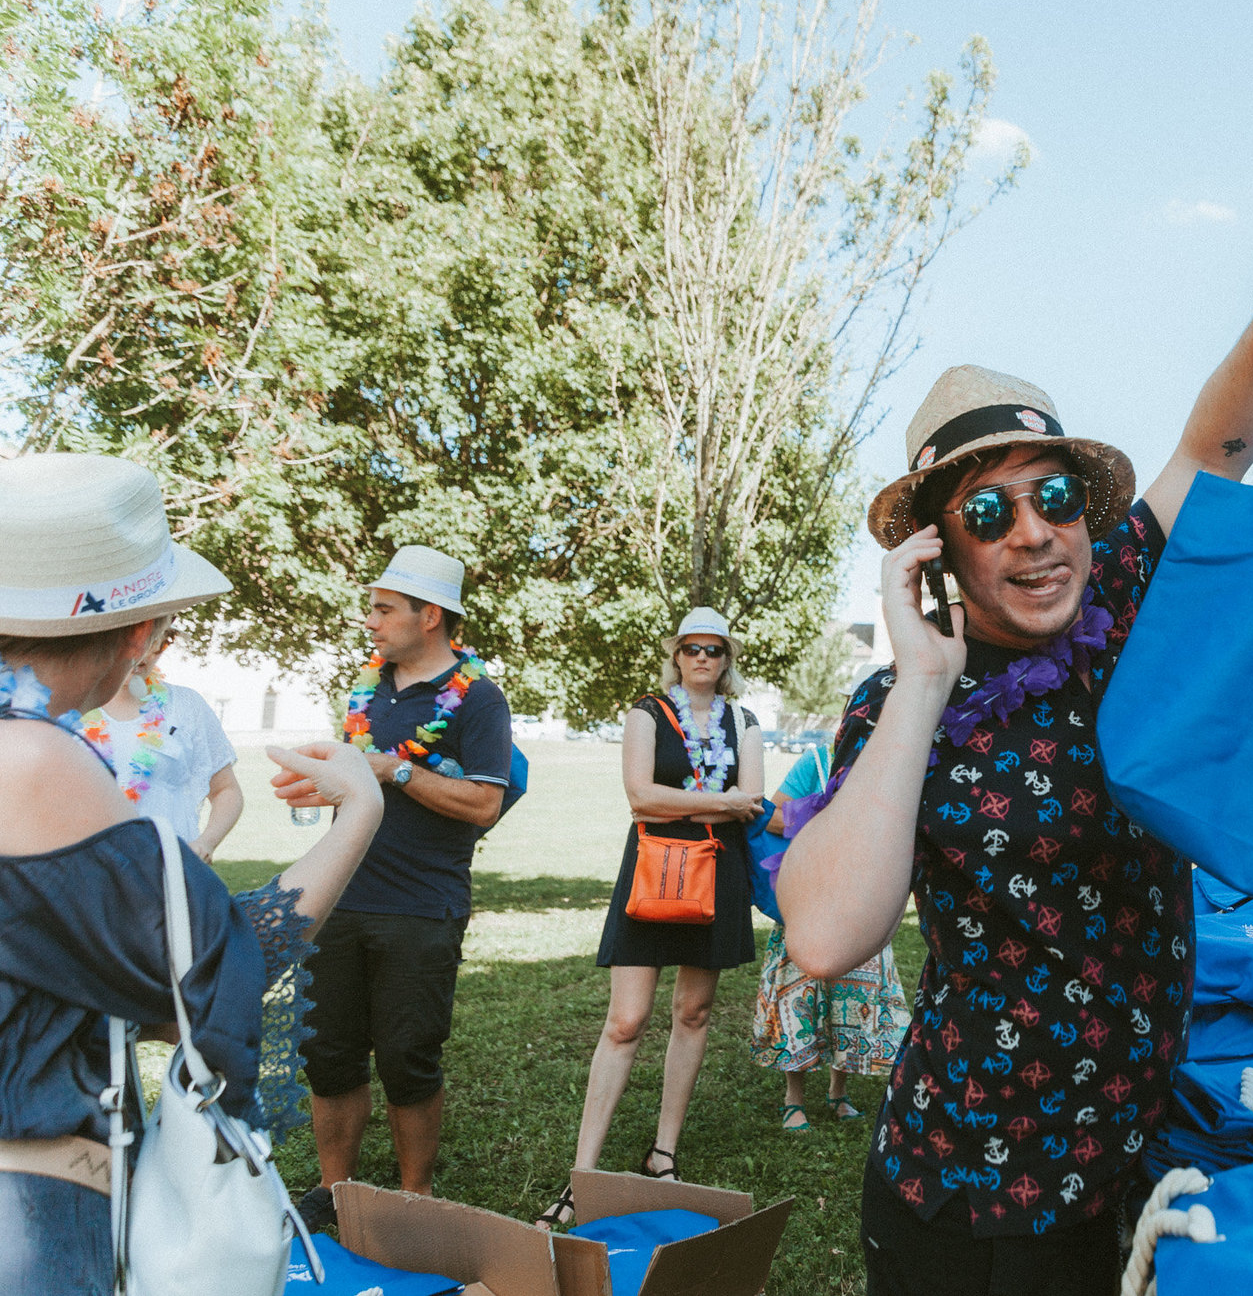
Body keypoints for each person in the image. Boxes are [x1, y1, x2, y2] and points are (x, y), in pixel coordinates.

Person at [775, 218, 1253, 1296]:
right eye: (987, 511)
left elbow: (1211, 451)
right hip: (977, 1197)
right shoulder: (898, 706)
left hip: (1127, 1150)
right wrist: (920, 677)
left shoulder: (1122, 608)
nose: (1031, 532)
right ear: (941, 551)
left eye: (1052, 497)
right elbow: (824, 938)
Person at [0, 453, 384, 1295]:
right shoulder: (32, 759)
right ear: (138, 634)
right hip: (28, 1214)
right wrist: (359, 808)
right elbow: (214, 966)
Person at [284, 545, 514, 1227]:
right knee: (328, 1054)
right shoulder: (364, 689)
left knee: (409, 1055)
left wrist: (398, 772)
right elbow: (355, 782)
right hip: (340, 896)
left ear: (430, 615)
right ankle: (337, 1192)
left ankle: (416, 1199)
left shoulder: (479, 698)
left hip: (423, 905)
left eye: (384, 608)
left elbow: (483, 806)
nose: (371, 620)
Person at [538, 609, 764, 1228]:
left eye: (714, 650)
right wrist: (719, 801)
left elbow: (754, 804)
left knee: (693, 1013)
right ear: (676, 654)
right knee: (625, 1020)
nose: (702, 659)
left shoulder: (744, 721)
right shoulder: (645, 713)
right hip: (652, 871)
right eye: (691, 648)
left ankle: (662, 1152)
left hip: (717, 872)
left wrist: (698, 805)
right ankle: (583, 1174)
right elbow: (640, 796)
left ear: (727, 658)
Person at [750, 741, 911, 1131]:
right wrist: (825, 819)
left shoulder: (892, 760)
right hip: (811, 891)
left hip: (864, 894)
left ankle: (839, 1091)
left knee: (856, 994)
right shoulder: (818, 760)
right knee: (798, 992)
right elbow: (770, 815)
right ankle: (794, 1098)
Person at [77, 619, 243, 861]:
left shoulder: (186, 706)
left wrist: (206, 842)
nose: (142, 656)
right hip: (92, 873)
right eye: (131, 644)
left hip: (172, 868)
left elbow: (225, 790)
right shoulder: (71, 707)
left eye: (157, 644)